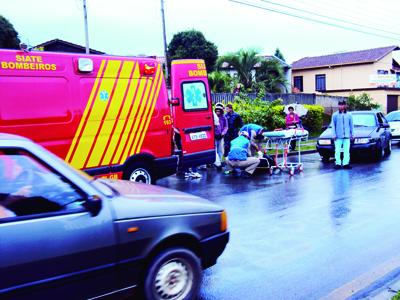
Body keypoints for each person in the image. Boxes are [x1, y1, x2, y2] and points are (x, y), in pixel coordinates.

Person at [331, 100, 354, 169]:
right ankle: (338, 163)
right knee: (337, 150)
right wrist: (334, 135)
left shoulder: (349, 115)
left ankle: (345, 163)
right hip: (338, 136)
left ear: (345, 105)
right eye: (340, 105)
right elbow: (333, 125)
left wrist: (352, 134)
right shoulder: (335, 115)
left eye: (342, 105)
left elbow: (351, 125)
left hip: (347, 136)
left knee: (346, 150)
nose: (341, 106)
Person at [214, 103, 228, 170]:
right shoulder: (213, 117)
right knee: (215, 150)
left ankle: (219, 162)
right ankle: (217, 163)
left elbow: (226, 127)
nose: (217, 112)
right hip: (214, 136)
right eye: (216, 111)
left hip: (221, 136)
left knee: (220, 151)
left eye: (219, 111)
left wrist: (223, 133)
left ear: (221, 111)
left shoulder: (224, 118)